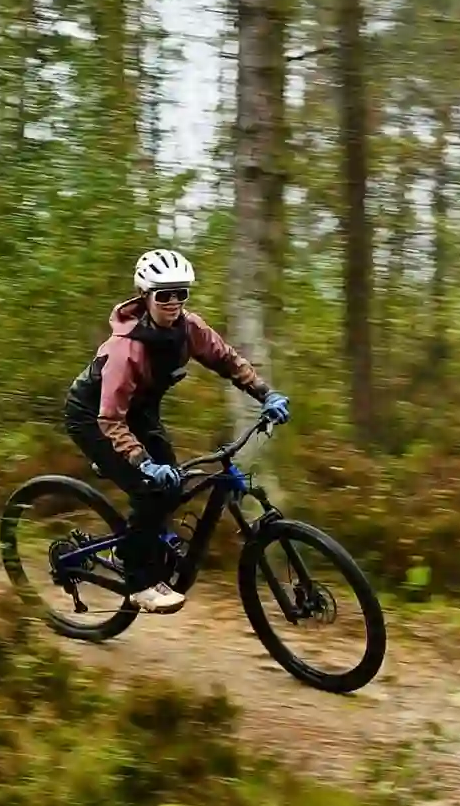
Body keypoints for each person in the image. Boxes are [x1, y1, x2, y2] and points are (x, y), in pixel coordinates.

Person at [64, 248, 290, 614]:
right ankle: (138, 582)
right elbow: (110, 419)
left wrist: (266, 393)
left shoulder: (189, 328)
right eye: (163, 294)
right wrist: (141, 462)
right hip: (95, 417)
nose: (173, 302)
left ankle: (140, 545)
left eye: (180, 293)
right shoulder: (125, 349)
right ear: (145, 296)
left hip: (138, 413)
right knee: (151, 487)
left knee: (174, 481)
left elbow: (227, 360)